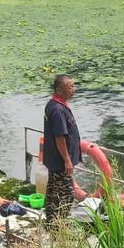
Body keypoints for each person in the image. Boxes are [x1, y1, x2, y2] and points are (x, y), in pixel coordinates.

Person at [43, 74, 82, 227]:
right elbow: (60, 138)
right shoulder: (58, 110)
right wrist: (67, 160)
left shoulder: (53, 104)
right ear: (59, 90)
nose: (74, 89)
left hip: (54, 160)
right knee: (66, 194)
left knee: (53, 192)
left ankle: (52, 223)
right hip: (60, 162)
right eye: (70, 86)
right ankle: (60, 227)